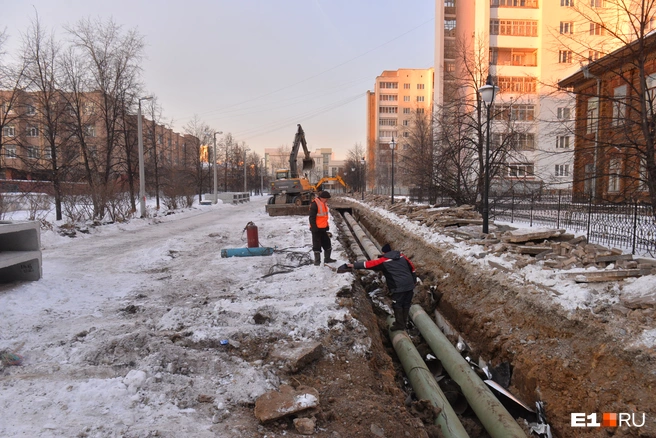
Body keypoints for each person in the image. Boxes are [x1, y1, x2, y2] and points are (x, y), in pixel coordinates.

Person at [347, 243, 417, 331]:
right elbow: (413, 268)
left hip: (398, 286)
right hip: (410, 284)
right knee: (406, 304)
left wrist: (354, 265)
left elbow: (369, 264)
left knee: (397, 305)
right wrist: (414, 281)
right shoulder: (402, 256)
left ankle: (400, 325)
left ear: (383, 252)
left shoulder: (384, 261)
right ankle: (403, 322)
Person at [309, 190, 336, 265]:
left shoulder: (323, 203)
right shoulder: (315, 204)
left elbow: (324, 217)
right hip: (316, 229)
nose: (327, 200)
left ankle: (327, 259)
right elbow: (312, 217)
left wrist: (326, 226)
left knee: (327, 244)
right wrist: (314, 228)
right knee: (317, 246)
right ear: (322, 198)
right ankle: (317, 262)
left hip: (323, 229)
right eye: (326, 199)